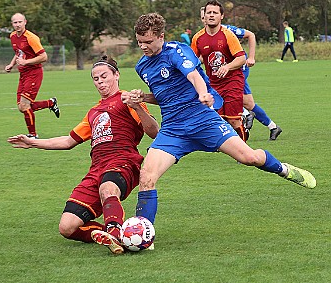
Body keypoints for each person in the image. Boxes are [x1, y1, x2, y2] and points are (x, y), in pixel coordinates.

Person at [128, 12, 316, 229]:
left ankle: (284, 169)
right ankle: (143, 232)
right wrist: (143, 98)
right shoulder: (142, 66)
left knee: (249, 158)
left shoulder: (177, 51)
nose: (143, 46)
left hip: (203, 120)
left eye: (148, 42)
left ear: (161, 37)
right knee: (147, 177)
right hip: (173, 130)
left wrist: (202, 94)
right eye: (140, 42)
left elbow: (194, 76)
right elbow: (165, 97)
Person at [8, 56, 159, 255]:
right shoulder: (93, 112)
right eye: (96, 79)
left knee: (108, 188)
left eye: (104, 76)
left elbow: (154, 131)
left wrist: (137, 106)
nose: (100, 81)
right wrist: (33, 142)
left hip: (123, 161)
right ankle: (105, 233)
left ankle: (116, 235)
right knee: (67, 226)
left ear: (116, 75)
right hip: (96, 169)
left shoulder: (127, 100)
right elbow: (68, 141)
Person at [199, 8, 282, 141]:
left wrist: (251, 57)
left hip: (237, 71)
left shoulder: (228, 31)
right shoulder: (203, 36)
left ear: (220, 16)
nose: (207, 19)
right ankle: (272, 126)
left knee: (228, 98)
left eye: (212, 14)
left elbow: (250, 35)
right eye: (204, 17)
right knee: (248, 103)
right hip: (222, 75)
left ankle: (244, 116)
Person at [192, 0, 248, 142]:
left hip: (232, 81)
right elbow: (191, 61)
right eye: (208, 12)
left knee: (234, 121)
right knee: (219, 121)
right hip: (213, 84)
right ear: (204, 16)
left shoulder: (228, 35)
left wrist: (227, 67)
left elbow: (241, 58)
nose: (211, 15)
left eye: (215, 13)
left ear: (221, 16)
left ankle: (243, 147)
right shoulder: (198, 38)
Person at [5, 13, 60, 138]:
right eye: (15, 22)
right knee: (21, 107)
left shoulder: (31, 38)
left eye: (20, 22)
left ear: (25, 22)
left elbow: (44, 57)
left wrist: (26, 62)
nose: (18, 25)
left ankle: (33, 135)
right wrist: (11, 64)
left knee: (24, 105)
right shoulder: (13, 36)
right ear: (12, 24)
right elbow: (19, 52)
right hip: (23, 74)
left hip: (34, 73)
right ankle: (50, 103)